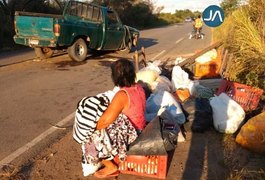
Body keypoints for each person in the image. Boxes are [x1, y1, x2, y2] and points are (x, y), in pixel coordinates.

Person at [75, 58, 146, 178]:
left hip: (132, 134)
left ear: (115, 77)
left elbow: (104, 122)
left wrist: (89, 129)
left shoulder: (122, 95)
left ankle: (110, 166)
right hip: (139, 127)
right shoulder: (139, 87)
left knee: (90, 135)